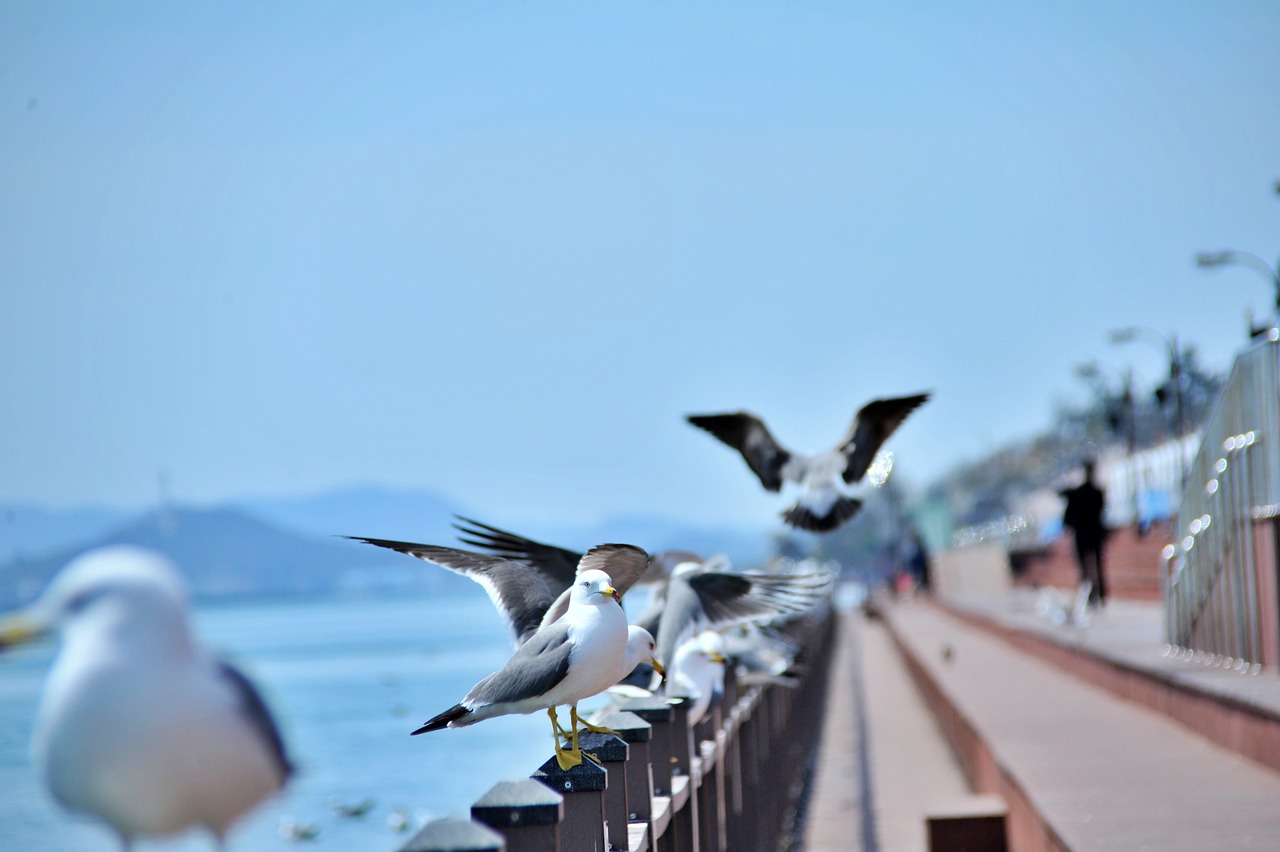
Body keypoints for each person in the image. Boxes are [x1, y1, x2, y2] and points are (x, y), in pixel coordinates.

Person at [1061, 460, 1108, 608]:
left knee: (1087, 567)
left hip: (1084, 534)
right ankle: (1097, 595)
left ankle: (1092, 595)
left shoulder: (1083, 492)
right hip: (1093, 533)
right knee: (1096, 565)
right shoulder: (1096, 491)